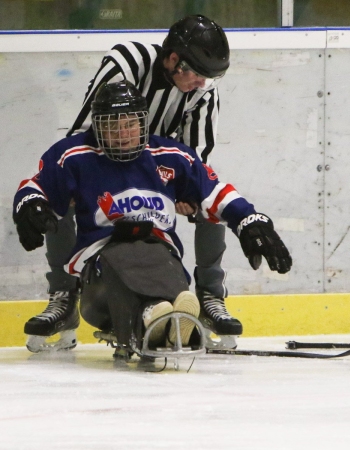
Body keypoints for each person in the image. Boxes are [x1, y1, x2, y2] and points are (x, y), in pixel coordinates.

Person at [13, 81, 292, 359]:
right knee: (124, 260)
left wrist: (251, 221)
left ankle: (172, 315)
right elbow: (35, 187)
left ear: (144, 122)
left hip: (159, 251)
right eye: (111, 125)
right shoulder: (74, 155)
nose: (122, 134)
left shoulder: (171, 155)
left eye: (130, 124)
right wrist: (30, 204)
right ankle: (155, 316)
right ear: (97, 127)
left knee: (162, 260)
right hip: (101, 260)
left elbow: (216, 193)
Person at [24, 14, 241, 352]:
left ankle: (209, 296)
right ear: (172, 60)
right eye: (197, 74)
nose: (202, 83)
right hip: (105, 161)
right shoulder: (126, 62)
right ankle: (64, 294)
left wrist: (189, 194)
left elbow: (197, 165)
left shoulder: (203, 92)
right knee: (60, 193)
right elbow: (86, 135)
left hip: (159, 172)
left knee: (213, 201)